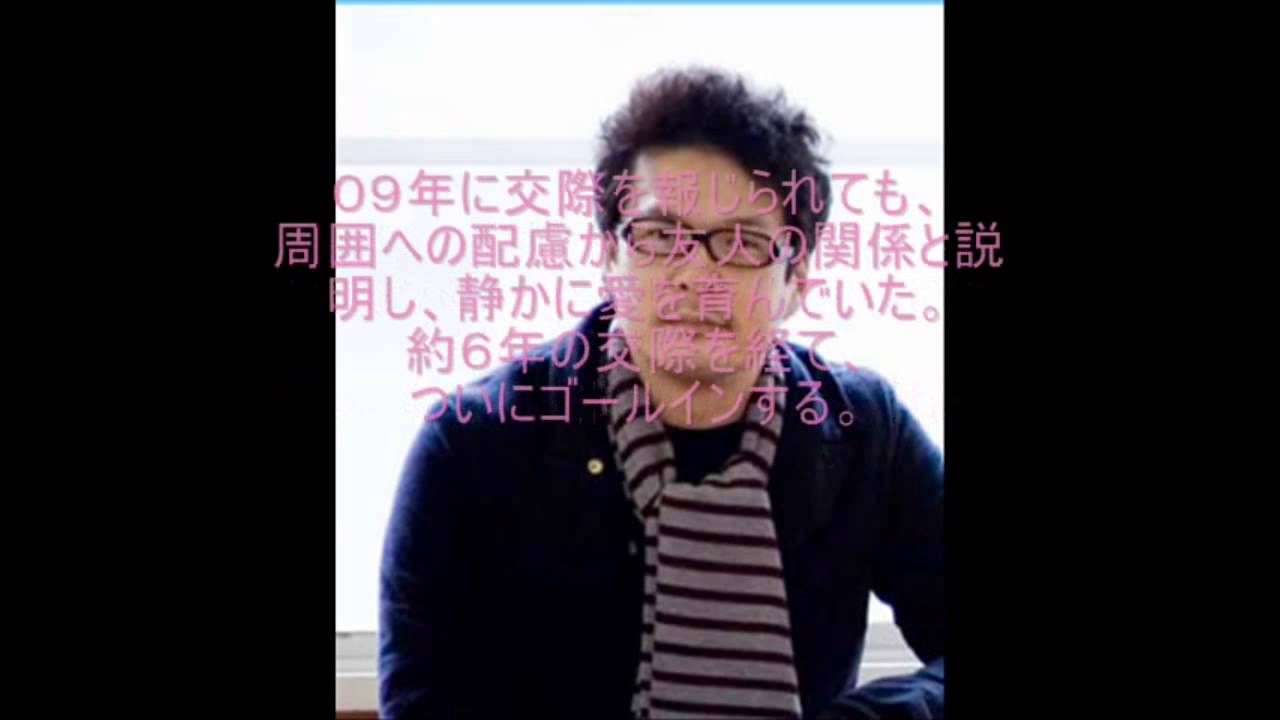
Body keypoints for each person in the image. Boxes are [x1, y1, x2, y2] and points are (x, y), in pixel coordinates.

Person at [379, 66, 944, 720]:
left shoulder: (862, 431)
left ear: (798, 281)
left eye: (742, 243)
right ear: (608, 259)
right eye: (657, 237)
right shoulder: (475, 442)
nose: (695, 274)